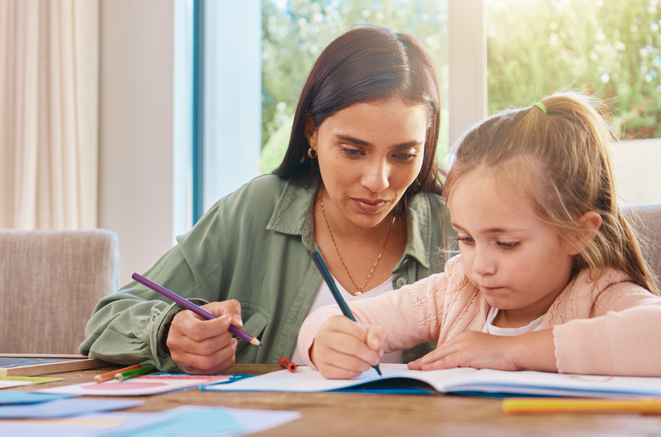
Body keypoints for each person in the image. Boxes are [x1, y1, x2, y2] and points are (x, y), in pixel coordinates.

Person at [80, 26, 454, 374]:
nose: (378, 181)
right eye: (354, 151)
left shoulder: (456, 229)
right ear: (312, 134)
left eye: (403, 155)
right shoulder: (255, 210)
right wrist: (169, 331)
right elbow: (107, 320)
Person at [297, 93, 661, 379]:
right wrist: (326, 340)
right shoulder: (457, 291)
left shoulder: (594, 294)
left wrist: (509, 352)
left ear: (578, 233)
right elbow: (343, 318)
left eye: (506, 243)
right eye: (465, 239)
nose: (480, 264)